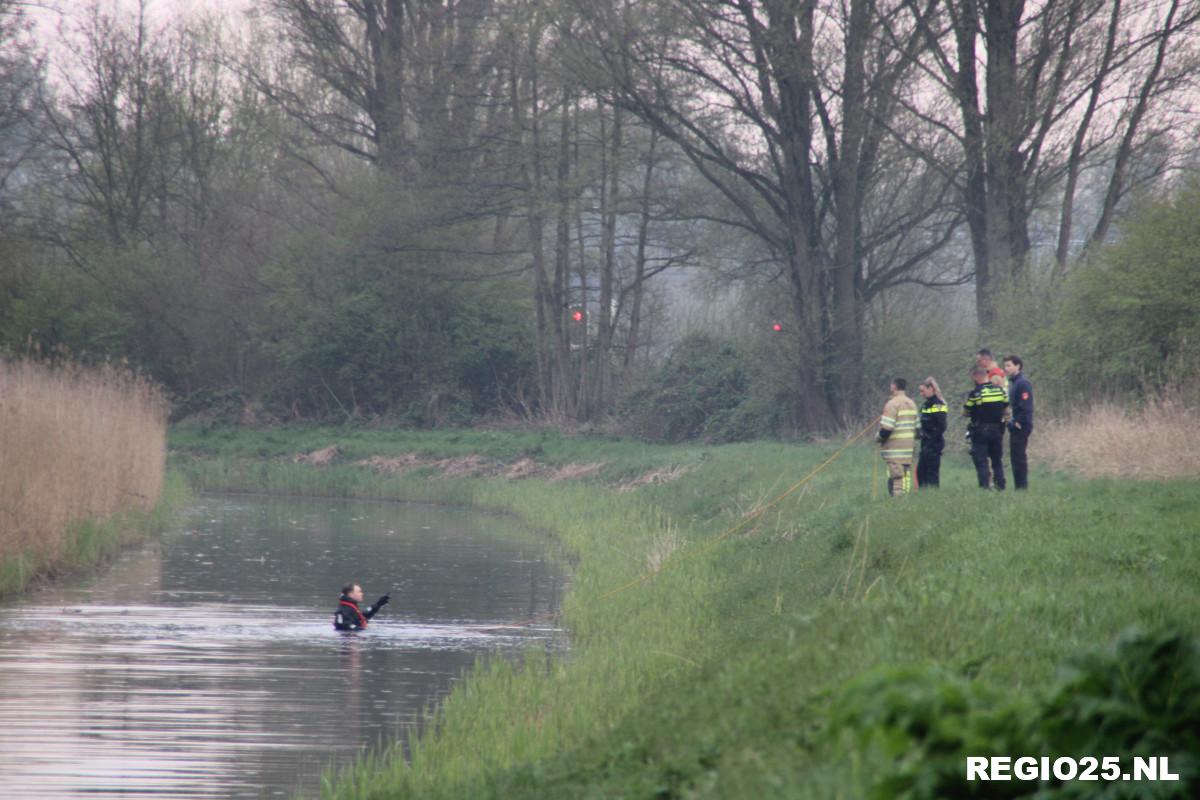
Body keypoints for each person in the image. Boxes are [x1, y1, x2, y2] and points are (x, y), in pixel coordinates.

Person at [964, 365, 1009, 490]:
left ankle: (984, 487)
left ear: (977, 376)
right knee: (997, 460)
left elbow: (966, 412)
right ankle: (1001, 486)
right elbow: (1005, 409)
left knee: (982, 460)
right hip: (997, 430)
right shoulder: (1001, 391)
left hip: (981, 431)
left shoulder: (976, 393)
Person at [875, 377, 919, 496]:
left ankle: (897, 501)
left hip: (895, 447)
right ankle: (903, 499)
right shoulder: (912, 403)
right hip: (909, 448)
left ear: (894, 386)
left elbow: (887, 428)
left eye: (891, 385)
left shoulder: (892, 404)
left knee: (896, 476)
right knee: (904, 474)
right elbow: (918, 428)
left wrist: (878, 438)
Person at [1004, 355, 1034, 490]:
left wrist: (1015, 422)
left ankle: (1022, 487)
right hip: (1015, 424)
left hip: (1022, 425)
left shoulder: (1023, 383)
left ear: (1018, 366)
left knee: (1019, 457)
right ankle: (1019, 487)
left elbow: (1025, 407)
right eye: (1005, 366)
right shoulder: (1014, 383)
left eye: (1009, 365)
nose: (1006, 368)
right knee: (1015, 457)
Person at [916, 377, 948, 488]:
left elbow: (942, 426)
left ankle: (933, 494)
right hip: (925, 442)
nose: (921, 394)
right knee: (921, 472)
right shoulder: (926, 404)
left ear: (931, 389)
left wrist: (931, 439)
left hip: (934, 443)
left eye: (923, 391)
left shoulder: (938, 404)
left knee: (932, 472)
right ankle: (923, 495)